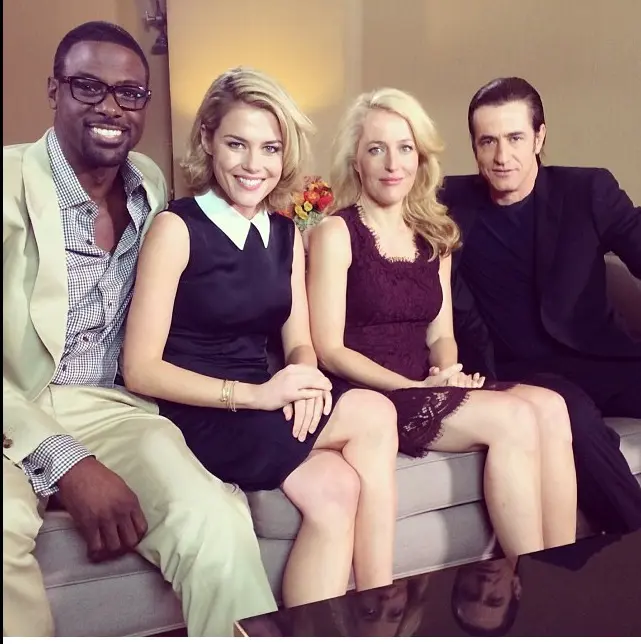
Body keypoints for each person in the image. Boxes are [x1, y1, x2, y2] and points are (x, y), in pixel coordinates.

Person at [3, 22, 277, 637]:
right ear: (54, 89)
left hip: (115, 407)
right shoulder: (6, 182)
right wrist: (68, 464)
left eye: (129, 93)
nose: (110, 107)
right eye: (88, 86)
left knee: (214, 519)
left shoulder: (148, 184)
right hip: (13, 403)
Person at [121, 67, 399, 609]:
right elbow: (140, 369)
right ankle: (381, 606)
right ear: (207, 139)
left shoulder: (284, 232)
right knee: (374, 413)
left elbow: (299, 341)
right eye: (237, 144)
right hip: (198, 414)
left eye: (270, 148)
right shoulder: (176, 229)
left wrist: (306, 378)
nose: (255, 165)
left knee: (336, 492)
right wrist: (257, 395)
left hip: (263, 400)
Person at [306, 87, 578, 562]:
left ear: (420, 157)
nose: (393, 163)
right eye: (377, 149)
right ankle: (535, 580)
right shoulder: (336, 232)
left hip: (426, 385)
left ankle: (561, 572)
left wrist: (447, 372)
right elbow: (329, 349)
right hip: (370, 395)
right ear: (356, 161)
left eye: (405, 148)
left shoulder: (435, 235)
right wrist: (413, 386)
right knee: (514, 418)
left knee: (552, 406)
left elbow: (442, 334)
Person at [441, 76, 641, 533]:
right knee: (573, 418)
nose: (502, 156)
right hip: (521, 373)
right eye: (488, 141)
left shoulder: (588, 191)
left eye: (515, 138)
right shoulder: (448, 203)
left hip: (602, 357)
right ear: (474, 146)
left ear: (539, 136)